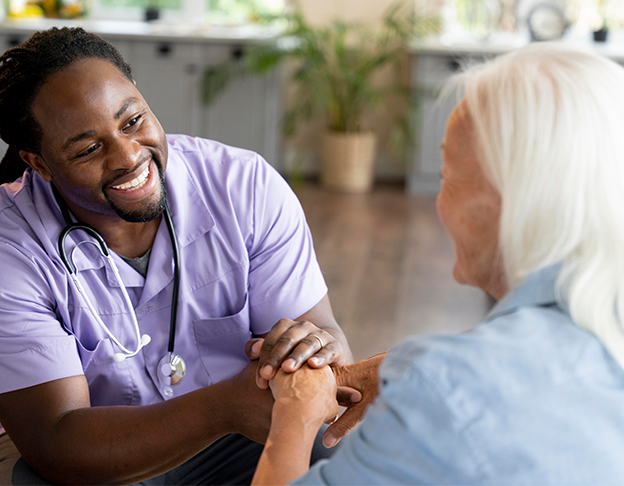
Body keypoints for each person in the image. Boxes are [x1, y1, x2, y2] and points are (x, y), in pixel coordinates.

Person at [249, 42, 624, 485]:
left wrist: (294, 414)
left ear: (507, 200)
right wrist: (405, 366)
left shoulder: (447, 391)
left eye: (447, 178)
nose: (438, 202)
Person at [0, 27, 354, 485]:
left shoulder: (243, 187)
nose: (128, 156)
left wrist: (315, 349)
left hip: (241, 443)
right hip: (102, 457)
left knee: (339, 457)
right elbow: (56, 441)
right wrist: (225, 406)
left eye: (133, 121)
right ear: (40, 164)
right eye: (89, 149)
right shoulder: (11, 250)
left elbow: (324, 341)